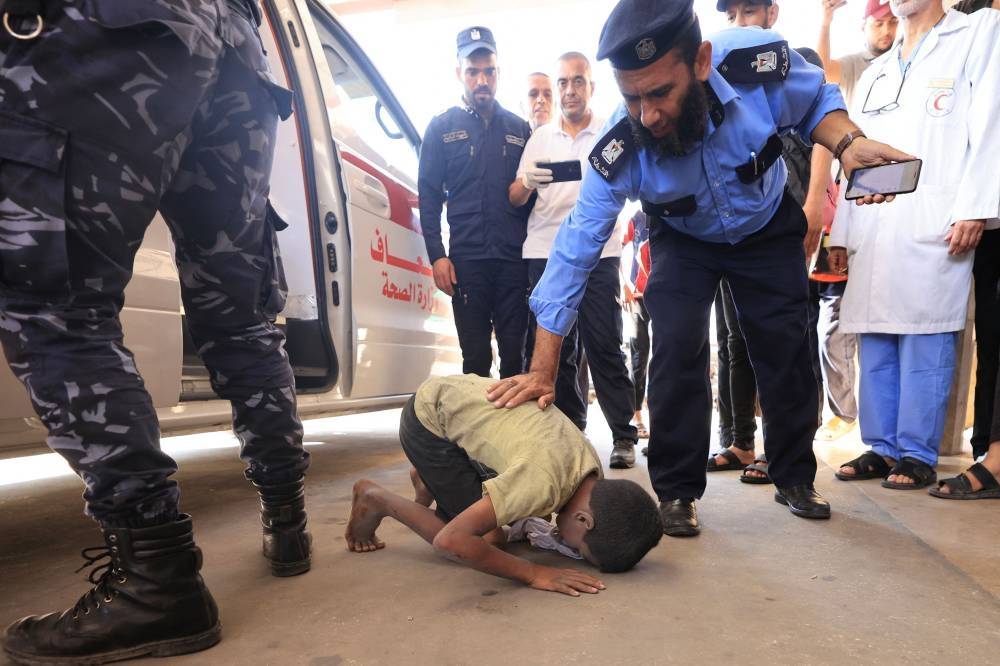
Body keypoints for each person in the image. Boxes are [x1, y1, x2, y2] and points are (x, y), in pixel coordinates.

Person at [487, 0, 912, 538]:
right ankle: (678, 490)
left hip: (762, 224)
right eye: (632, 96)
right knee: (676, 347)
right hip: (683, 240)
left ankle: (794, 475)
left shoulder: (753, 63)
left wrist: (848, 143)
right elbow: (575, 247)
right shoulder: (622, 144)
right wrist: (543, 365)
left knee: (784, 346)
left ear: (702, 61)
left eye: (660, 92)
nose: (647, 115)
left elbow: (814, 103)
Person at [0, 1, 311, 663]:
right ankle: (288, 521)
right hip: (236, 44)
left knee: (53, 298)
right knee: (242, 318)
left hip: (118, 22)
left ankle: (157, 579)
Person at [829, 0, 999, 490]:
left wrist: (976, 206)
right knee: (875, 335)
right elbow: (851, 157)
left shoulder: (974, 33)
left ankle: (917, 453)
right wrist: (840, 230)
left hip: (936, 216)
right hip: (872, 220)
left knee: (926, 332)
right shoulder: (877, 71)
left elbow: (990, 123)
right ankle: (881, 447)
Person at [344, 375, 663, 593]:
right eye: (578, 547)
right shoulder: (541, 481)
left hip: (460, 402)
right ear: (584, 519)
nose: (568, 549)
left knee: (509, 512)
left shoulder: (590, 470)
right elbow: (450, 542)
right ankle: (376, 498)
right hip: (428, 421)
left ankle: (430, 478)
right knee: (490, 539)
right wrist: (533, 572)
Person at [511, 52, 639, 469]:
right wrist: (527, 182)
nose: (569, 90)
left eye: (577, 82)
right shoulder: (540, 138)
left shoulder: (609, 133)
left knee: (604, 343)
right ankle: (568, 432)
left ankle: (623, 435)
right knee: (555, 351)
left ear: (591, 86)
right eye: (563, 82)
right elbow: (513, 195)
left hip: (600, 252)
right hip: (544, 251)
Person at [418, 27, 533, 379]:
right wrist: (438, 254)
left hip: (513, 261)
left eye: (489, 71)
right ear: (459, 73)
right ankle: (476, 434)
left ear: (499, 73)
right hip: (467, 262)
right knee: (475, 360)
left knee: (516, 356)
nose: (481, 80)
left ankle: (513, 435)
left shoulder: (519, 128)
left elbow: (533, 203)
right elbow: (429, 196)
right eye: (473, 71)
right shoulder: (441, 128)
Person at [817, 0, 900, 108]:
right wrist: (825, 23)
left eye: (893, 22)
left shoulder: (904, 59)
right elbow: (823, 71)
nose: (886, 31)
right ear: (863, 27)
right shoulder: (853, 64)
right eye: (878, 24)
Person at [623, 211, 652, 443]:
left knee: (666, 357)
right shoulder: (636, 218)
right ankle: (636, 415)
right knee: (638, 356)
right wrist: (622, 284)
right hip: (638, 295)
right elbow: (616, 247)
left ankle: (662, 416)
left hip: (667, 294)